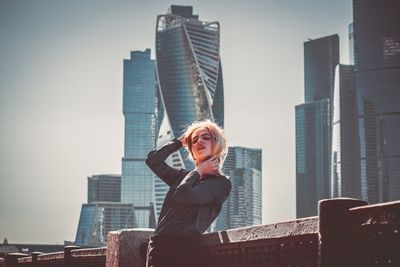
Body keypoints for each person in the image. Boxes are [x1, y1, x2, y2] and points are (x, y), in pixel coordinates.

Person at [145, 120, 231, 267]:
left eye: (206, 137)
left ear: (217, 143)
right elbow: (153, 161)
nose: (199, 142)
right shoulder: (182, 177)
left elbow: (183, 195)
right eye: (194, 140)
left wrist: (198, 171)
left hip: (182, 251)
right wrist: (180, 141)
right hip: (157, 247)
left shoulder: (220, 184)